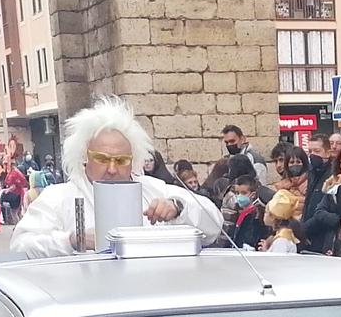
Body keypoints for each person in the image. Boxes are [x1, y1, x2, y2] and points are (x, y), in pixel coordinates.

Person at [12, 98, 223, 258]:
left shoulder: (154, 189)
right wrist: (72, 241)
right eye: (102, 159)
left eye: (121, 160)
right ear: (85, 157)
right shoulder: (58, 198)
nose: (112, 169)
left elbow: (214, 224)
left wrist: (179, 208)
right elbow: (21, 246)